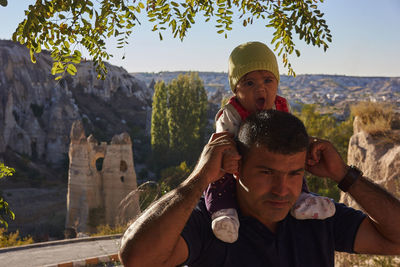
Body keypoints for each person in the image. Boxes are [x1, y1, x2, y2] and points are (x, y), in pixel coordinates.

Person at [119, 110, 400, 267]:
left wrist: (344, 175)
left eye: (294, 174)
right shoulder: (212, 225)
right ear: (236, 167)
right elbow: (138, 259)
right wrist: (199, 177)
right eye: (267, 172)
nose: (282, 189)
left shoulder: (316, 218)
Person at [208, 41, 334, 243]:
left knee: (291, 166)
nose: (261, 89)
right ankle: (224, 214)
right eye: (249, 83)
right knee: (218, 180)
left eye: (268, 80)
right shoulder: (230, 114)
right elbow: (223, 142)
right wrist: (227, 157)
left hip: (269, 165)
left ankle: (302, 200)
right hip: (236, 164)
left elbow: (290, 136)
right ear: (235, 89)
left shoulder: (281, 106)